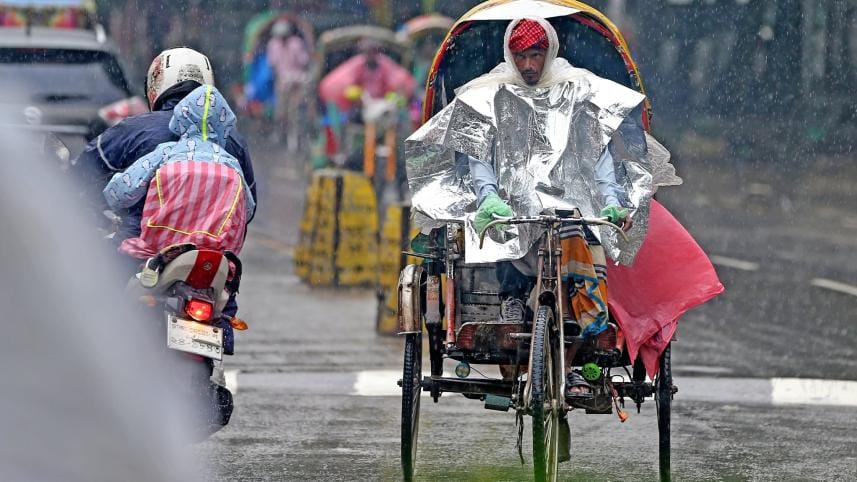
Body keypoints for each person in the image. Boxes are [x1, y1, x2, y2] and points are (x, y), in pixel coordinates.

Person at [405, 16, 665, 462]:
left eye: (536, 54)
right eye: (521, 55)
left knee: (580, 252)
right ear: (510, 54)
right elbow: (477, 156)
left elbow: (599, 159)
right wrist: (487, 199)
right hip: (511, 214)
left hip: (569, 211)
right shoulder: (487, 94)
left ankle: (586, 357)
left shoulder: (579, 90)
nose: (528, 65)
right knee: (496, 240)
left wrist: (611, 203)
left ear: (549, 52)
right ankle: (510, 303)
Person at [74, 47, 257, 246]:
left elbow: (101, 178)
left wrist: (104, 199)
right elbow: (248, 207)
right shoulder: (234, 142)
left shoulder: (137, 130)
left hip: (146, 242)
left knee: (100, 270)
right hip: (214, 250)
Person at [103, 84, 255, 259]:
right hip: (215, 255)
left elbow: (124, 190)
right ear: (226, 125)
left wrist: (110, 194)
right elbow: (248, 210)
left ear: (180, 119)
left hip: (161, 249)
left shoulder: (167, 153)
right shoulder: (231, 164)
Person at [266, 19, 310, 151]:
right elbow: (272, 64)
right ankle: (279, 133)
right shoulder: (273, 45)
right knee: (281, 111)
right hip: (282, 82)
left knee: (295, 112)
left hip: (296, 81)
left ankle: (295, 138)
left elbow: (303, 60)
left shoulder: (296, 43)